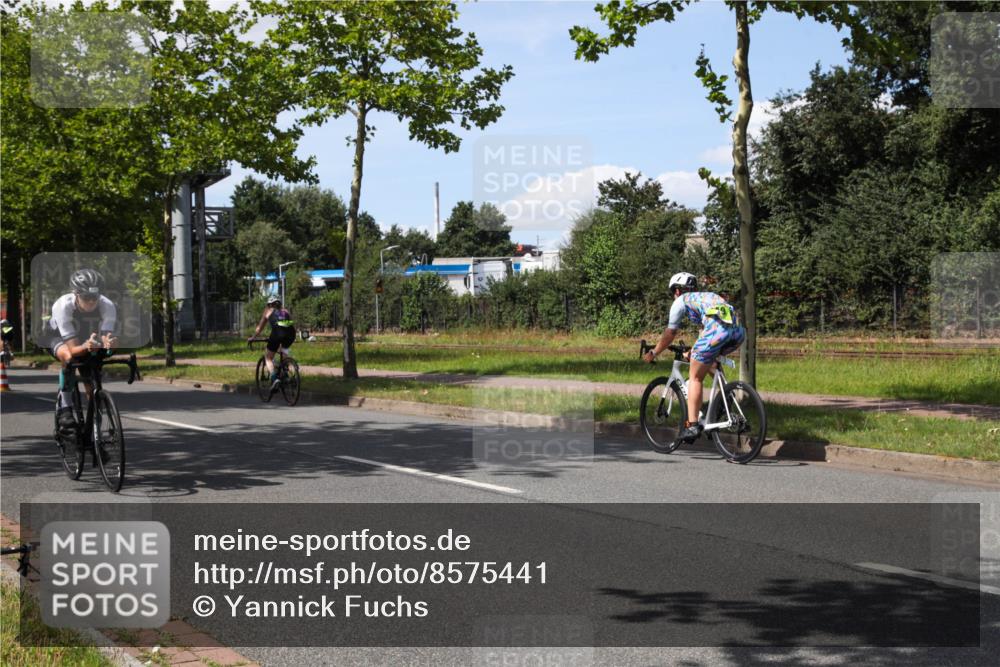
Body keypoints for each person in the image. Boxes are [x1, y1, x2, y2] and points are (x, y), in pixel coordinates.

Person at [643, 272, 746, 442]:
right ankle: (725, 395)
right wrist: (695, 351)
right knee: (708, 361)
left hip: (716, 331)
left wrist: (654, 352)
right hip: (738, 332)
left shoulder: (681, 301)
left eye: (674, 292)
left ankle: (691, 426)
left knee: (695, 377)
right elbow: (705, 330)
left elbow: (670, 333)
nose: (674, 295)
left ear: (677, 290)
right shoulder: (707, 296)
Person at [47, 269, 118, 436]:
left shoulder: (107, 305)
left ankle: (94, 436)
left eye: (95, 297)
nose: (92, 302)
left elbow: (106, 335)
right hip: (59, 337)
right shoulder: (62, 306)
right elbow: (73, 348)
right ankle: (65, 408)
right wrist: (86, 346)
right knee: (70, 357)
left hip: (88, 337)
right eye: (86, 298)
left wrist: (111, 343)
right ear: (76, 294)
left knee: (92, 383)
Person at [249, 296, 296, 391]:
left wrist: (253, 338)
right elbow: (290, 324)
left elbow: (259, 328)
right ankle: (288, 374)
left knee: (268, 357)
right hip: (291, 334)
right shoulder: (285, 311)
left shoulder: (268, 311)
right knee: (283, 352)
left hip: (277, 333)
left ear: (269, 305)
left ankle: (275, 378)